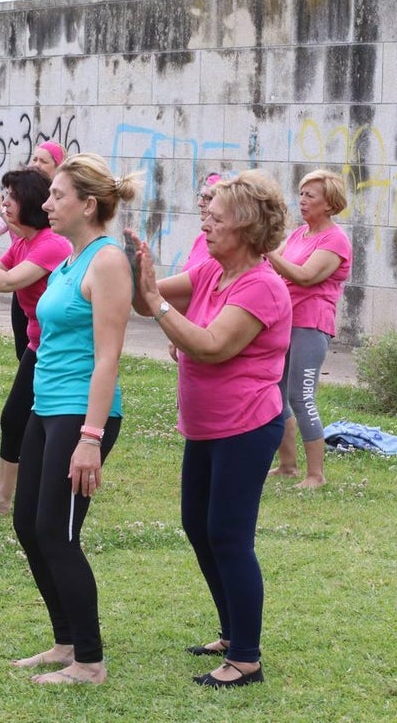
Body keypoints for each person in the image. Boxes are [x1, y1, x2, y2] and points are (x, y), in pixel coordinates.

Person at [127, 169, 291, 688]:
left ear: (246, 226)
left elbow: (212, 345)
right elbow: (145, 300)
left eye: (217, 219)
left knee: (228, 536)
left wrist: (156, 302)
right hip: (205, 427)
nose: (206, 225)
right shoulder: (209, 272)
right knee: (198, 527)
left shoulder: (262, 286)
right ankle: (231, 631)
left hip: (246, 427)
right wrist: (135, 271)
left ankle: (246, 659)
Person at [11, 153, 138, 685]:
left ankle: (89, 661)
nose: (46, 204)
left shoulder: (107, 261)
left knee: (57, 533)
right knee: (28, 524)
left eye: (57, 195)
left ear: (88, 205)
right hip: (47, 409)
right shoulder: (69, 259)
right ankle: (65, 642)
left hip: (80, 414)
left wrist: (90, 437)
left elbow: (108, 357)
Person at [0, 168, 70, 516]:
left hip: (59, 350)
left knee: (44, 423)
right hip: (38, 346)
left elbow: (5, 282)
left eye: (12, 197)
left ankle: (44, 493)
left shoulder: (51, 244)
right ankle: (3, 498)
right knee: (13, 419)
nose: (5, 203)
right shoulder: (23, 243)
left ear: (32, 202)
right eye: (5, 196)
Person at [266, 169, 352, 489]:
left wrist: (268, 251)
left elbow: (304, 276)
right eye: (301, 193)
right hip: (284, 320)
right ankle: (287, 466)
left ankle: (316, 475)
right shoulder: (300, 234)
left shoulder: (335, 240)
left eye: (310, 195)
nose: (302, 200)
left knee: (301, 397)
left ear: (329, 203)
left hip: (311, 323)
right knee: (276, 393)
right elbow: (273, 269)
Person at [10, 140, 65, 359]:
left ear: (58, 167)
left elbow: (35, 231)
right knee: (22, 347)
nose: (36, 164)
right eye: (34, 159)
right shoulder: (27, 193)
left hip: (38, 278)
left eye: (43, 161)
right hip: (21, 273)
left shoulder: (52, 232)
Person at [183, 172, 222, 273]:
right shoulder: (201, 238)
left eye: (208, 198)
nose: (200, 203)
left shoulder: (228, 246)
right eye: (201, 196)